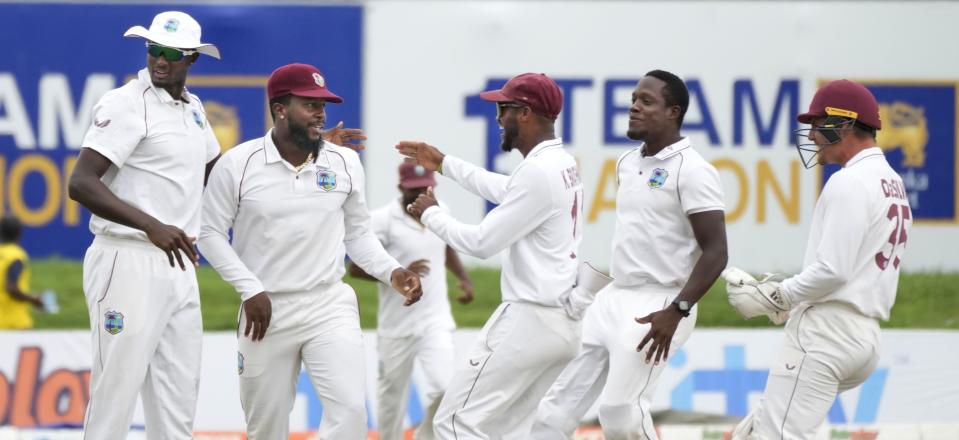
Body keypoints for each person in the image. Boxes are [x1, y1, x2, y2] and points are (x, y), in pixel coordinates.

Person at [197, 63, 423, 440]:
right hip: (266, 309)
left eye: (323, 104)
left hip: (328, 303)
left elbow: (359, 236)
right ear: (280, 108)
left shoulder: (345, 162)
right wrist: (249, 288)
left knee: (351, 411)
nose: (321, 112)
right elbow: (209, 233)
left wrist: (393, 271)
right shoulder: (238, 164)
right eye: (310, 104)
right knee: (265, 426)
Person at [530, 70, 728, 440]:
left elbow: (717, 252)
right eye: (634, 99)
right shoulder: (627, 162)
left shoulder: (694, 171)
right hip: (613, 297)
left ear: (674, 112)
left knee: (620, 414)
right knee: (552, 413)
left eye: (646, 101)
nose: (634, 107)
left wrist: (677, 309)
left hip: (661, 303)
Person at [400, 72, 597, 439]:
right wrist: (444, 163)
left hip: (528, 320)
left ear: (524, 113)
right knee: (506, 431)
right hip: (562, 325)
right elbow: (507, 189)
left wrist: (431, 213)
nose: (497, 118)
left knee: (454, 423)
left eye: (502, 109)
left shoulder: (538, 171)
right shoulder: (560, 163)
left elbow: (481, 243)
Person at [723, 79, 911, 440]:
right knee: (759, 430)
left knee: (778, 436)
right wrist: (791, 303)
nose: (810, 135)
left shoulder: (850, 182)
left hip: (827, 333)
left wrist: (780, 295)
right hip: (864, 336)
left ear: (842, 124)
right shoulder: (892, 182)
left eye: (816, 124)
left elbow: (834, 269)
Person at [67, 11, 221, 438]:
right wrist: (151, 225)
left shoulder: (194, 108)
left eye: (171, 53)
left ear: (192, 59)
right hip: (126, 258)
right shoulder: (126, 102)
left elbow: (215, 172)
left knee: (177, 399)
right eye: (153, 50)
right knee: (115, 393)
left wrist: (299, 146)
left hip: (179, 265)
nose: (160, 60)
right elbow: (80, 182)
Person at [348, 161, 475, 440]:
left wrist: (464, 278)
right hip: (396, 327)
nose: (419, 194)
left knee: (446, 388)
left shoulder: (438, 211)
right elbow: (354, 268)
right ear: (400, 188)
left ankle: (425, 437)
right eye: (413, 189)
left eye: (424, 188)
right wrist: (398, 273)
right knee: (391, 400)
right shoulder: (381, 220)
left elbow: (446, 247)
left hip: (436, 321)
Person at [0, 216, 43, 329]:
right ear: (19, 234)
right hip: (14, 323)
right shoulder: (16, 256)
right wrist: (34, 300)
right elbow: (12, 288)